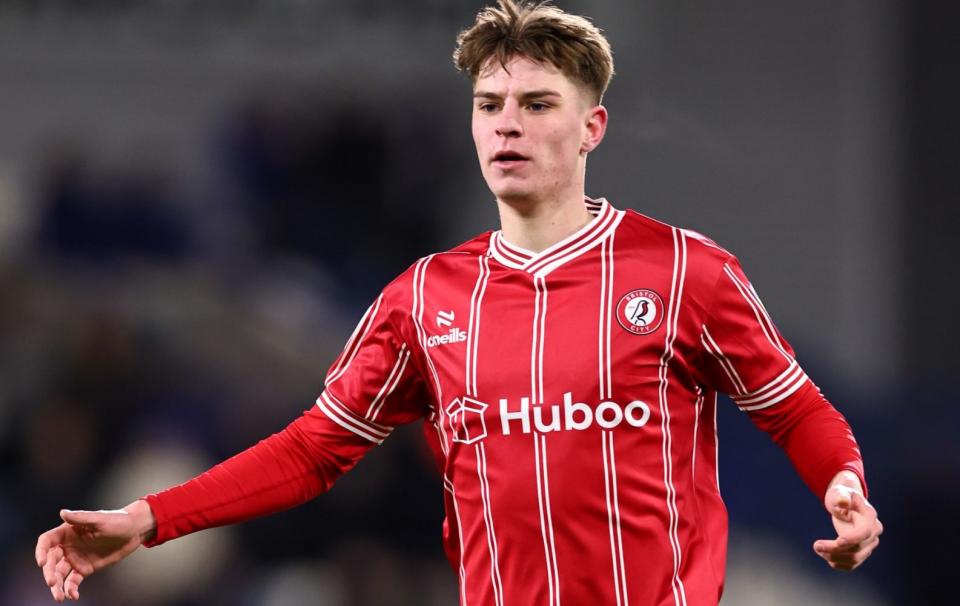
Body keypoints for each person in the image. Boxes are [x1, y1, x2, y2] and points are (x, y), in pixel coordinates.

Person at [35, 1, 882, 604]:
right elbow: (312, 452)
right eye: (490, 106)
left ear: (592, 127)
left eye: (537, 104)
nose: (507, 124)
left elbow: (793, 407)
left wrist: (842, 482)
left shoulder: (684, 271)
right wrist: (149, 517)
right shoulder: (425, 297)